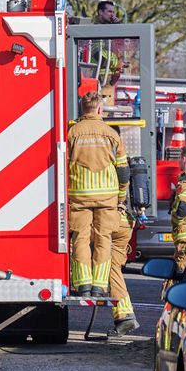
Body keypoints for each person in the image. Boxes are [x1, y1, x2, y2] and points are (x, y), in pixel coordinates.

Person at [68, 92, 129, 297]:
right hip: (107, 196)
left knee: (81, 238)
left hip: (79, 194)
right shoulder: (112, 134)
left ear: (82, 109)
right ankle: (100, 286)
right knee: (104, 239)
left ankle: (83, 284)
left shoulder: (72, 133)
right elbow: (123, 170)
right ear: (100, 109)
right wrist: (121, 197)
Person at [108, 204, 140, 335]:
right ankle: (125, 316)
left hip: (110, 218)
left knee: (78, 240)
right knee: (113, 269)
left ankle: (125, 316)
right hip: (126, 220)